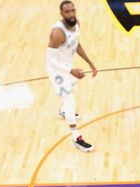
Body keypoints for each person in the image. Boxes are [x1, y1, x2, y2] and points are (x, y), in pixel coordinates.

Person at [46, 0, 97, 152]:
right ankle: (76, 137)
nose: (71, 14)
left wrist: (90, 62)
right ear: (61, 14)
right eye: (67, 12)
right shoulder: (58, 32)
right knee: (70, 100)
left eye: (72, 10)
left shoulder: (76, 24)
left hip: (68, 67)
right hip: (57, 70)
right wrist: (70, 70)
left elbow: (77, 44)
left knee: (72, 89)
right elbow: (51, 60)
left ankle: (63, 111)